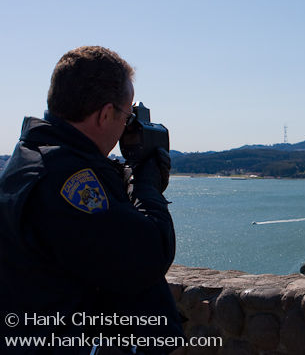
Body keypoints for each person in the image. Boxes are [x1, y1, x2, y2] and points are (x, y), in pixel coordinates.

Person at [0, 46, 184, 354]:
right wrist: (147, 185)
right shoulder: (66, 180)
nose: (128, 126)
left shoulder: (32, 159)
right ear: (105, 114)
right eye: (127, 116)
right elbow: (150, 254)